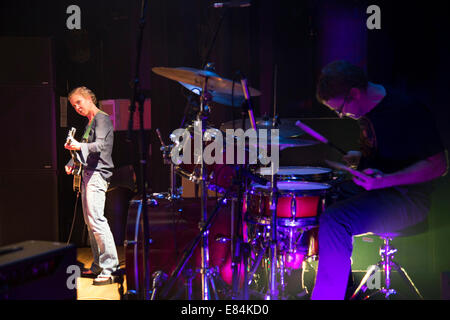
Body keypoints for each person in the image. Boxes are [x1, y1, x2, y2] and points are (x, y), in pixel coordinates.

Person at [310, 60, 447, 300]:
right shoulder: (367, 111)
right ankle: (338, 283)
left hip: (408, 200)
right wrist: (361, 159)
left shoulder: (408, 110)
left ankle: (327, 296)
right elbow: (389, 155)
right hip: (379, 191)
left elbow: (438, 166)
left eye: (340, 108)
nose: (342, 115)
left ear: (354, 93)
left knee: (335, 219)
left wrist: (387, 180)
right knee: (320, 197)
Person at [65, 86, 119, 286]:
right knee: (90, 222)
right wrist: (73, 162)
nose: (76, 107)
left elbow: (102, 146)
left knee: (96, 220)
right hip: (89, 173)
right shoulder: (90, 123)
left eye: (78, 102)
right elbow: (88, 151)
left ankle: (109, 267)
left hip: (98, 175)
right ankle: (98, 264)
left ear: (89, 98)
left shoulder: (102, 118)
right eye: (73, 105)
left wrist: (79, 145)